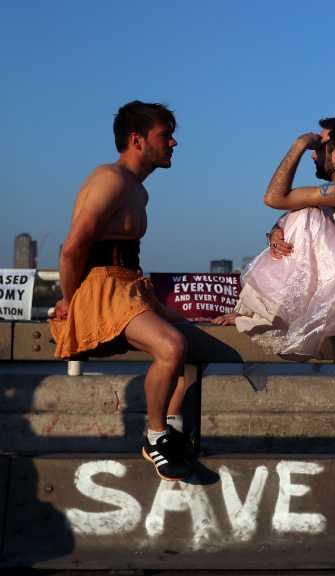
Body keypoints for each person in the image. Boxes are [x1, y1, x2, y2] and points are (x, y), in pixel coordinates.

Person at [50, 101, 194, 481]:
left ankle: (174, 428)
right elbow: (72, 248)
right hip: (103, 287)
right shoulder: (110, 180)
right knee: (171, 347)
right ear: (137, 140)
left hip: (130, 286)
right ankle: (155, 436)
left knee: (194, 345)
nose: (174, 142)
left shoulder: (138, 190)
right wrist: (70, 300)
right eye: (165, 135)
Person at [213, 118, 335, 356]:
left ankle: (262, 313)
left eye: (318, 147)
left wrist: (298, 144)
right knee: (307, 211)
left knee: (308, 215)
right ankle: (262, 312)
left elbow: (274, 198)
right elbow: (290, 208)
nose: (313, 155)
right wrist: (277, 229)